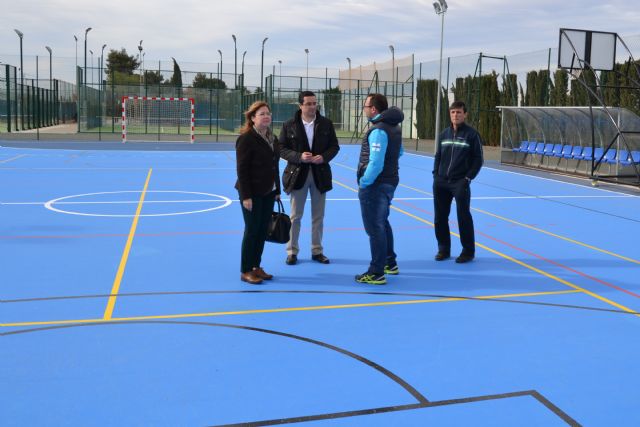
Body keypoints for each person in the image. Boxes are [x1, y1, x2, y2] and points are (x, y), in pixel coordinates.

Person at [279, 91, 340, 265]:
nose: (313, 106)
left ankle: (317, 250)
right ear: (300, 106)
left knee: (318, 216)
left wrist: (324, 157)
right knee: (295, 216)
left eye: (314, 103)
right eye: (309, 104)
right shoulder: (289, 125)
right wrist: (299, 156)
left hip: (320, 175)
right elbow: (281, 148)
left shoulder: (326, 124)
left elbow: (334, 147)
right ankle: (292, 251)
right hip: (298, 175)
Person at [355, 93, 404, 285]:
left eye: (366, 106)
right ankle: (390, 263)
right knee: (382, 223)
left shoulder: (378, 130)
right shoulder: (395, 127)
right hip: (390, 181)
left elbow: (375, 164)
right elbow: (399, 152)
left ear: (373, 109)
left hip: (376, 185)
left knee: (374, 228)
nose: (365, 109)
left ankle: (376, 272)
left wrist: (365, 182)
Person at [235, 101, 281, 284]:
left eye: (268, 113)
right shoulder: (246, 138)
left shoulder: (272, 138)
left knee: (262, 231)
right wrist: (246, 196)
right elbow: (242, 170)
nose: (266, 116)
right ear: (253, 118)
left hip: (268, 192)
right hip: (251, 192)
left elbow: (274, 166)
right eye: (261, 114)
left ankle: (256, 267)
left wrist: (277, 189)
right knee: (252, 230)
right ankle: (245, 270)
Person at [432, 100, 484, 263]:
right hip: (441, 182)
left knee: (463, 217)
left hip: (460, 183)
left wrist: (467, 178)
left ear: (465, 114)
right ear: (450, 114)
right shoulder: (443, 134)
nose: (456, 115)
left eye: (459, 112)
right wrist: (436, 175)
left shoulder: (472, 135)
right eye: (453, 112)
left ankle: (468, 251)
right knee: (440, 217)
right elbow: (438, 156)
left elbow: (478, 159)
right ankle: (443, 249)